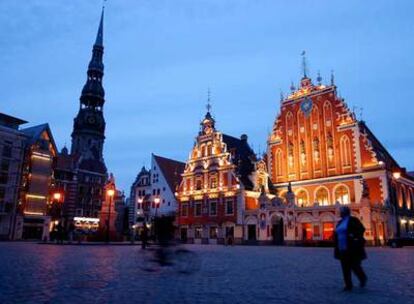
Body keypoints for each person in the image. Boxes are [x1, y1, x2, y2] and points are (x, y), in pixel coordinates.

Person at [334, 206, 367, 291]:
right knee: (345, 267)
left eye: (341, 211)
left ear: (345, 212)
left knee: (355, 266)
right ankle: (348, 285)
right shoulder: (340, 222)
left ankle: (362, 278)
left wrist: (353, 235)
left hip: (352, 247)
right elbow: (337, 233)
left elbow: (361, 229)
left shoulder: (353, 220)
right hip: (342, 247)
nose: (339, 213)